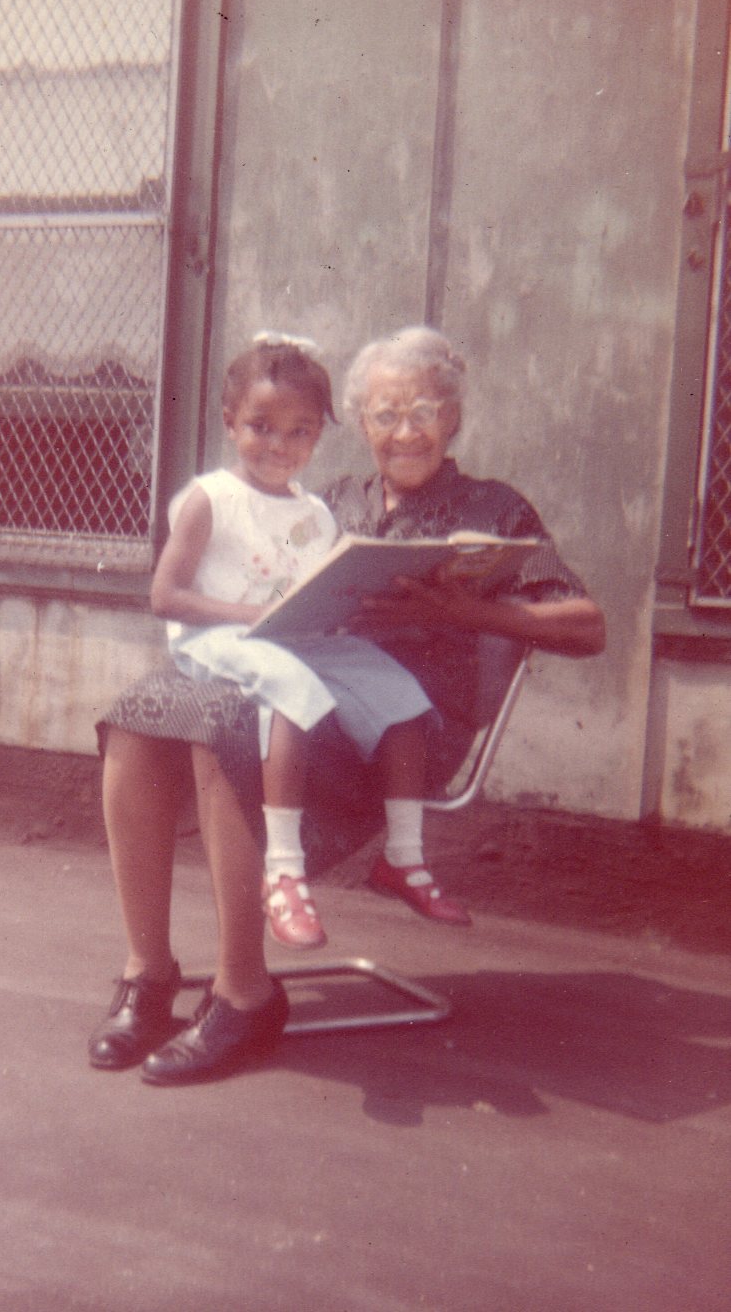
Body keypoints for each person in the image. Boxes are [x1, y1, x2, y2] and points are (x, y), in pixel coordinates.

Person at [88, 325, 605, 1087]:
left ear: (453, 418)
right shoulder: (326, 505)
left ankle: (243, 994)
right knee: (139, 715)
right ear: (360, 424)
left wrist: (468, 613)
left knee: (221, 724)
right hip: (304, 695)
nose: (405, 431)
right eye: (386, 414)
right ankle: (150, 973)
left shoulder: (492, 509)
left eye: (424, 411)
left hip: (404, 730)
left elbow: (586, 627)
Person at [151, 334, 438, 952]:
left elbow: (313, 592)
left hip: (286, 637)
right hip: (217, 634)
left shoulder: (315, 512)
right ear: (230, 423)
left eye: (300, 432)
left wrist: (348, 599)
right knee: (291, 685)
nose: (280, 447)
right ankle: (284, 872)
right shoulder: (211, 499)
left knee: (397, 689)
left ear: (318, 435)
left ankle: (405, 857)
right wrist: (253, 612)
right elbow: (166, 597)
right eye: (261, 427)